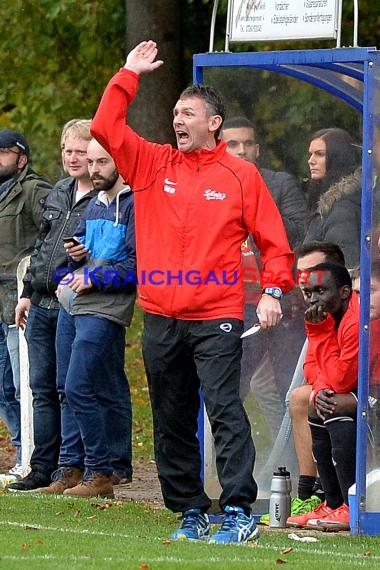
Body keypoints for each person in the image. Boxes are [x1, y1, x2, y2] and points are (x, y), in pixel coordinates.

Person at [91, 40, 294, 543]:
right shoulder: (151, 163)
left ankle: (241, 510)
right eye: (176, 113)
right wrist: (128, 74)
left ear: (214, 122)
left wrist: (272, 290)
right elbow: (105, 129)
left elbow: (275, 242)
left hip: (218, 315)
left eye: (188, 113)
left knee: (225, 410)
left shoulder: (240, 176)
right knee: (172, 417)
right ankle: (190, 511)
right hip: (161, 315)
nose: (177, 120)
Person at [37, 138, 136, 498]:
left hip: (105, 308)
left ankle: (101, 472)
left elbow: (134, 268)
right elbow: (89, 258)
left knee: (81, 386)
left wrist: (92, 276)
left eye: (102, 162)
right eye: (90, 162)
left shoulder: (134, 205)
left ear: (121, 163)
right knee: (65, 388)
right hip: (74, 306)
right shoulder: (95, 203)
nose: (93, 170)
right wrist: (78, 258)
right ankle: (70, 468)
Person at [6, 120, 96, 492]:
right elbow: (40, 248)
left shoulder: (106, 198)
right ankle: (42, 465)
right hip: (39, 301)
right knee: (40, 387)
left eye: (80, 151)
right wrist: (26, 292)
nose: (72, 158)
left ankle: (71, 466)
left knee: (67, 387)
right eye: (67, 150)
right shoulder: (59, 191)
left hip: (71, 303)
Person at [221, 116, 306, 436]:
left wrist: (254, 222)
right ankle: (224, 470)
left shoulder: (279, 183)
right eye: (232, 144)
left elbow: (298, 231)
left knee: (287, 383)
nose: (241, 150)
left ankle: (297, 468)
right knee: (233, 386)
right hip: (232, 301)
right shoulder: (212, 185)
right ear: (220, 146)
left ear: (257, 148)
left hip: (279, 298)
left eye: (247, 144)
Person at [258, 241, 346, 525]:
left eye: (315, 273)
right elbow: (313, 365)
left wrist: (322, 385)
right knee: (298, 397)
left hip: (360, 388)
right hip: (333, 382)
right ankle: (310, 494)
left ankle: (336, 496)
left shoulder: (351, 309)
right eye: (301, 276)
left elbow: (348, 373)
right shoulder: (317, 310)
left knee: (315, 399)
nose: (306, 283)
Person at [287, 262, 359, 531]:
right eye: (309, 292)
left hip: (370, 392)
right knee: (317, 402)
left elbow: (342, 379)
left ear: (343, 292)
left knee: (333, 405)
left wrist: (319, 334)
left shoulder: (353, 320)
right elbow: (311, 368)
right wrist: (319, 389)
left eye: (321, 291)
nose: (314, 299)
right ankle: (333, 502)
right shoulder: (325, 317)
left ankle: (352, 505)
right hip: (351, 388)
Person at [0, 129, 51, 476]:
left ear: (21, 156)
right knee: (3, 388)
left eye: (3, 152)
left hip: (20, 300)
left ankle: (33, 457)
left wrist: (31, 286)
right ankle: (24, 452)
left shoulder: (35, 190)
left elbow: (52, 237)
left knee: (25, 384)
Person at [304, 127, 361, 269]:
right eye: (311, 154)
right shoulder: (331, 202)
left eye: (320, 154)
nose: (311, 161)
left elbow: (345, 265)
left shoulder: (342, 208)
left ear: (337, 157)